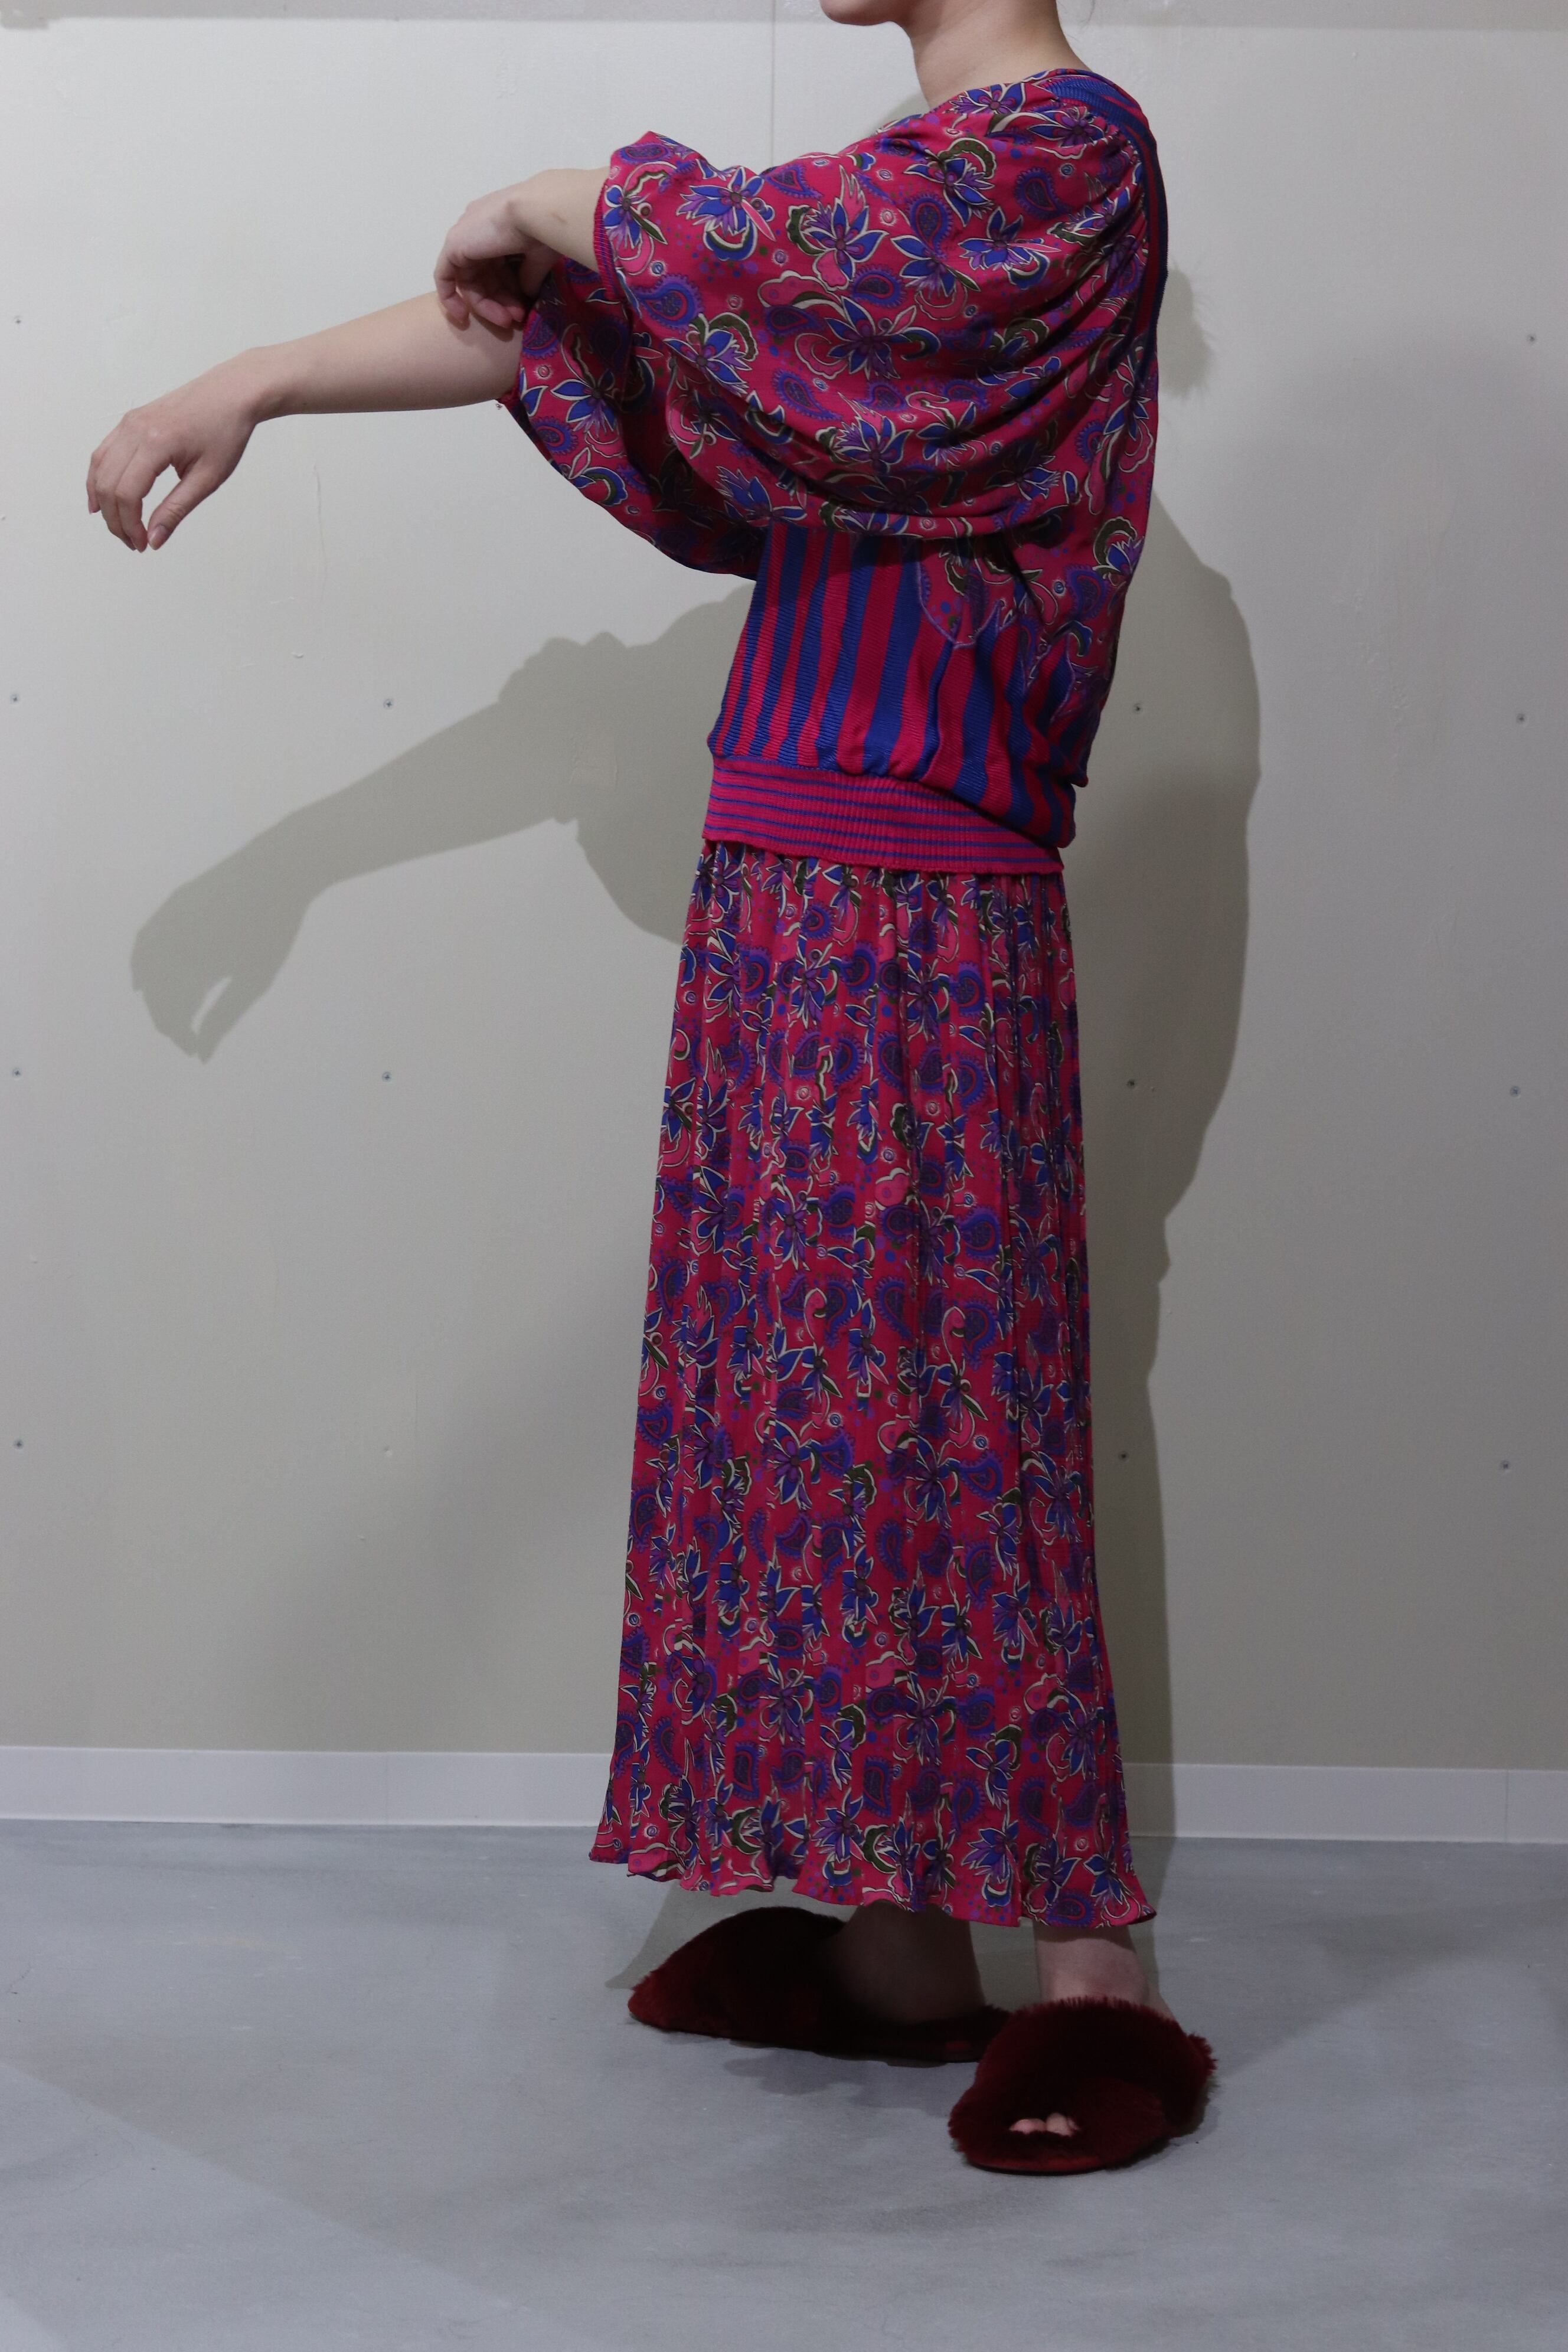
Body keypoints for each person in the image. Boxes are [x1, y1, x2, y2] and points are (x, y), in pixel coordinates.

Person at [87, 0, 1213, 2173]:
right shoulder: (867, 237)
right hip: (782, 864)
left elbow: (736, 259)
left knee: (956, 1401)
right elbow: (595, 320)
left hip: (922, 885)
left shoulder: (1058, 166)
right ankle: (903, 1940)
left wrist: (549, 194)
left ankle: (1096, 1973)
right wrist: (254, 384)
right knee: (804, 1410)